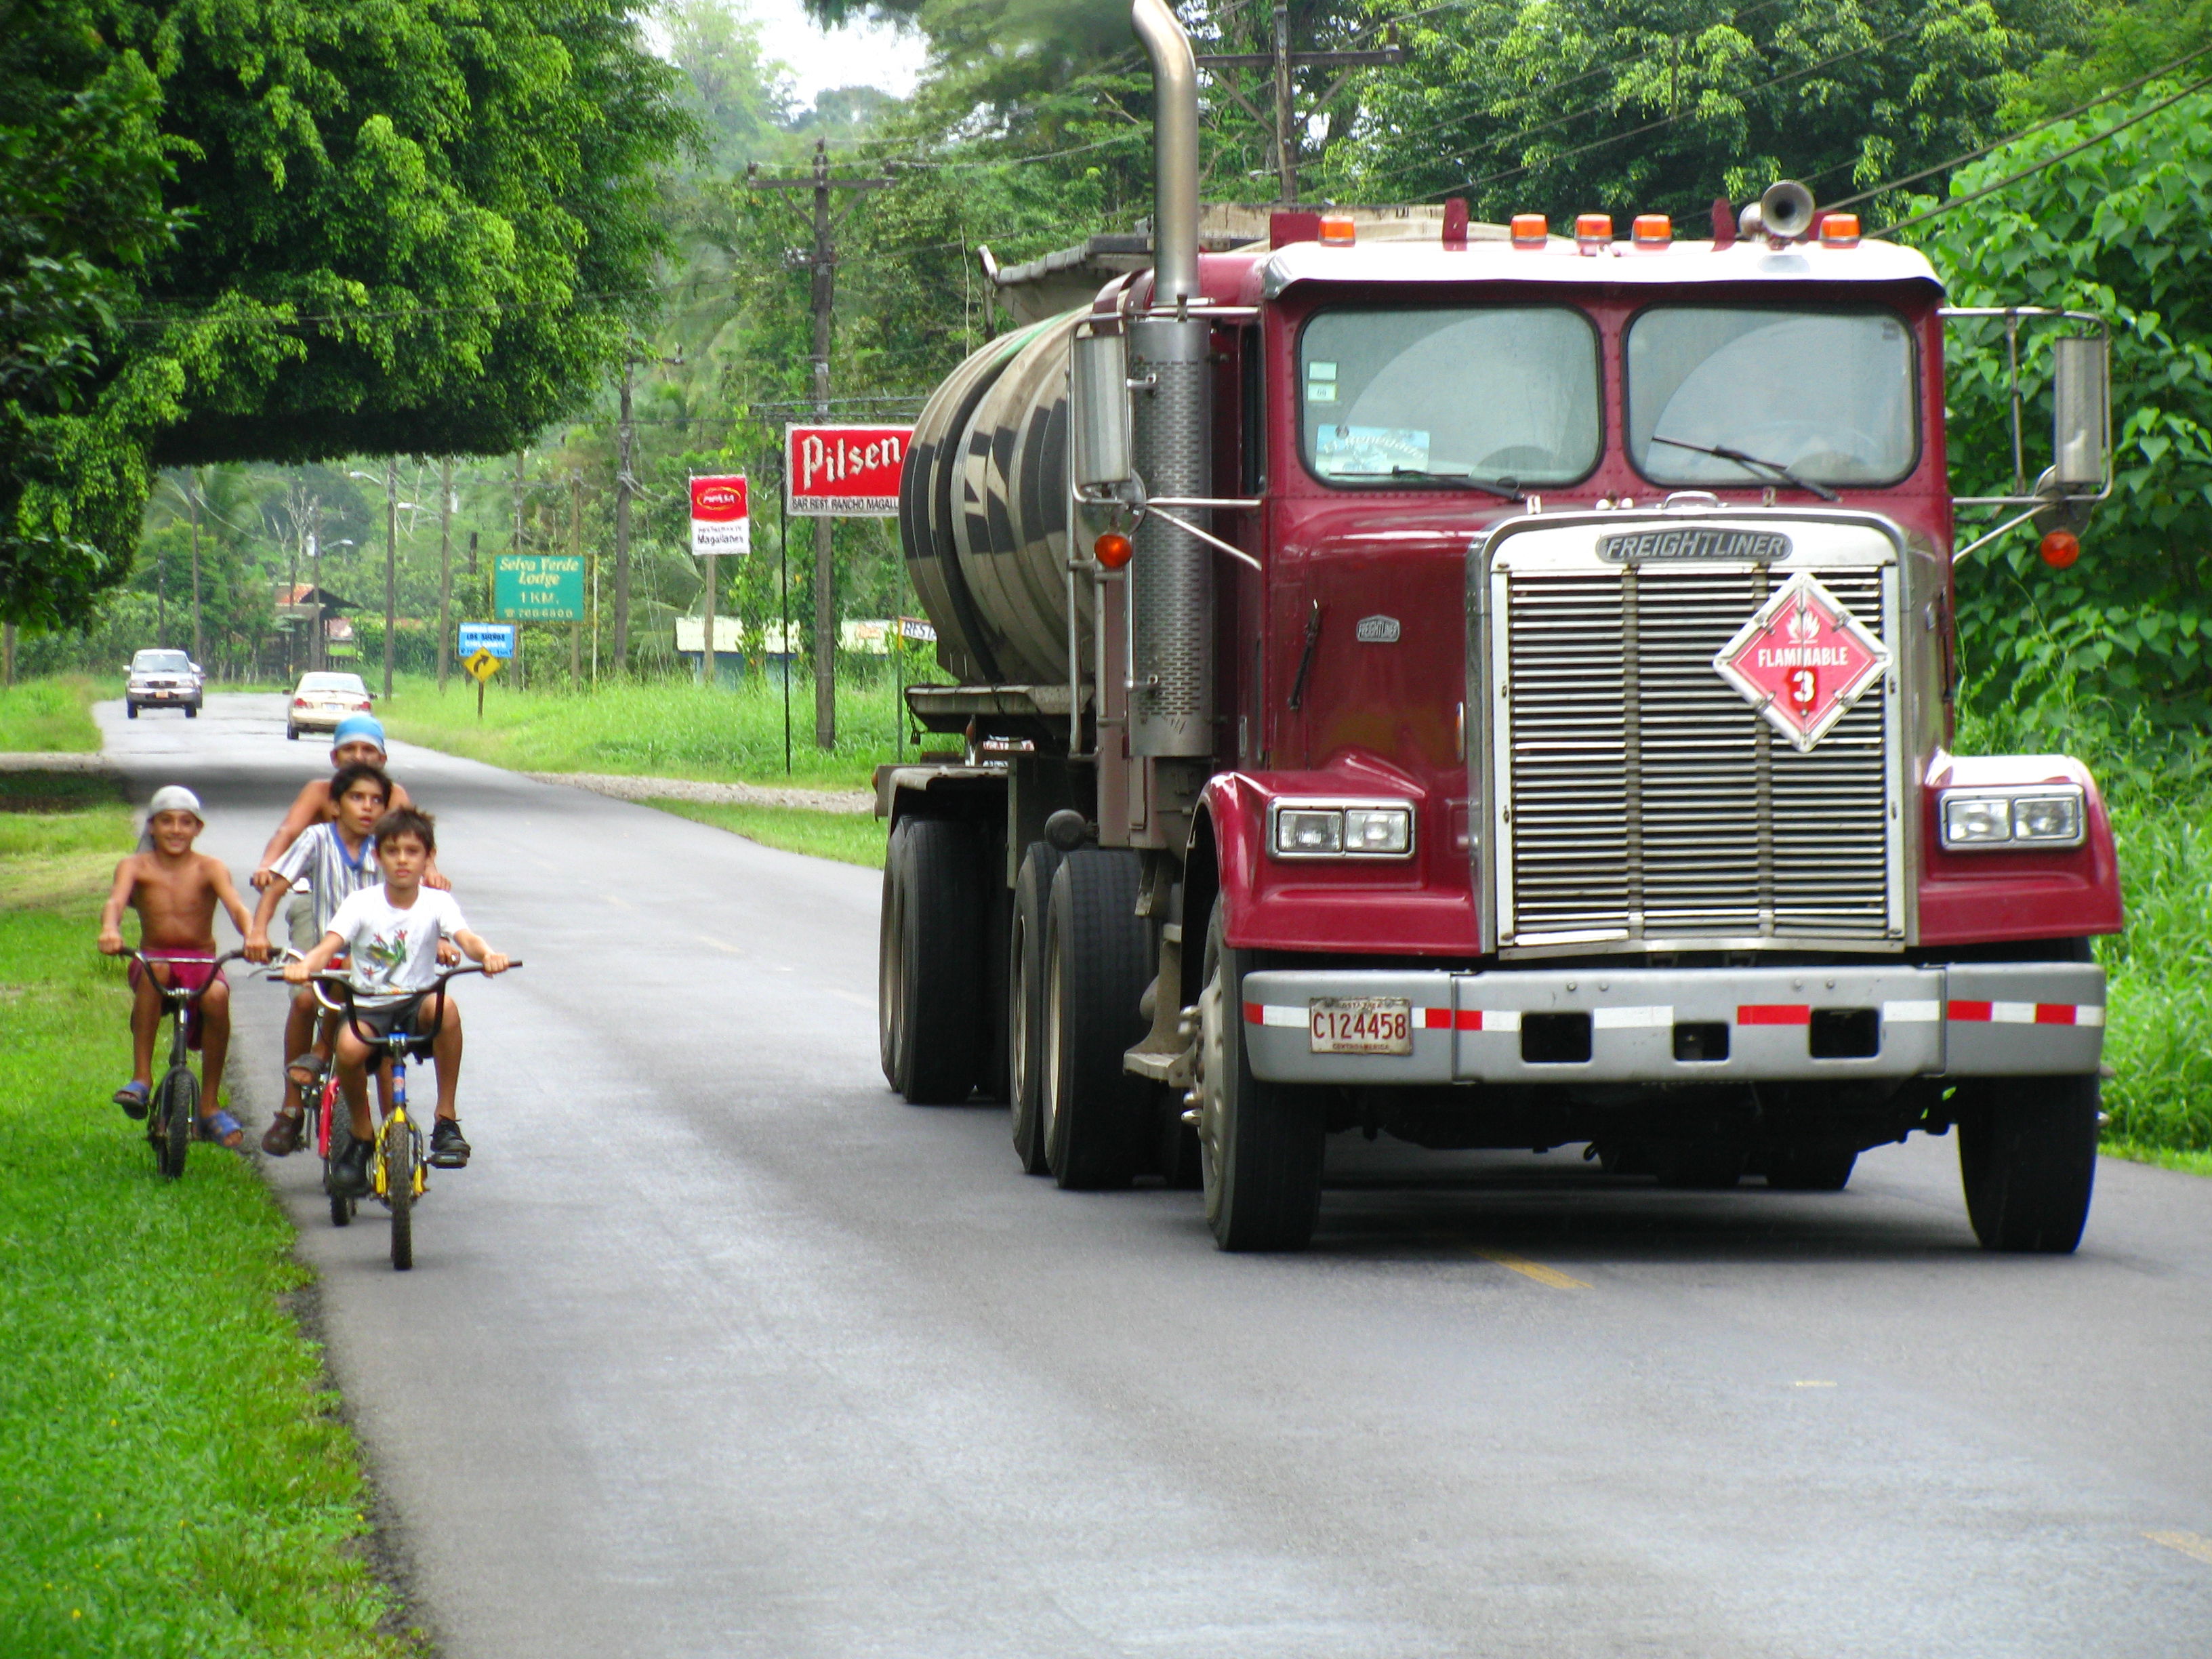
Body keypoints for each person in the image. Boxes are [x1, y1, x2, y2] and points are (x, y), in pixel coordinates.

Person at [285, 806, 508, 1192]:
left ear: (427, 857)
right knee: (349, 1049)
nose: (402, 860)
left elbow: (465, 937)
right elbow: (331, 944)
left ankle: (446, 1119)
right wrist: (308, 965)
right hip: (370, 1006)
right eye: (392, 851)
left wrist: (487, 954)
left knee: (447, 1007)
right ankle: (360, 1135)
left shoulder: (436, 902)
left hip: (413, 1005)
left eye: (412, 851)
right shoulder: (362, 903)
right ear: (378, 856)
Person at [243, 761, 391, 1154]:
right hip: (329, 952)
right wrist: (258, 931)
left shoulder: (387, 845)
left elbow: (418, 895)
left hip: (378, 958)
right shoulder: (317, 839)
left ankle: (392, 1132)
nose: (367, 808)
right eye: (357, 798)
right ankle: (291, 1108)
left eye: (377, 801)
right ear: (336, 805)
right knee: (307, 998)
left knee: (389, 1032)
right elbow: (277, 886)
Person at [97, 785, 254, 1147]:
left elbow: (236, 906)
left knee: (216, 995)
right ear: (151, 826)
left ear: (198, 829)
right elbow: (115, 903)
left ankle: (210, 1104)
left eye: (186, 823)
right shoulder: (134, 866)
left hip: (200, 962)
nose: (176, 830)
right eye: (166, 822)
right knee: (160, 972)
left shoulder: (209, 867)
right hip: (154, 959)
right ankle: (141, 1079)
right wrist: (110, 930)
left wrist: (253, 935)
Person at [252, 716, 445, 924]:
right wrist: (267, 865)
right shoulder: (319, 792)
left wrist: (431, 872)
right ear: (335, 757)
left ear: (382, 759)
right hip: (324, 893)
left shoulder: (394, 794)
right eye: (349, 749)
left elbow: (413, 837)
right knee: (304, 915)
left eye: (368, 750)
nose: (358, 757)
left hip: (378, 895)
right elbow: (288, 831)